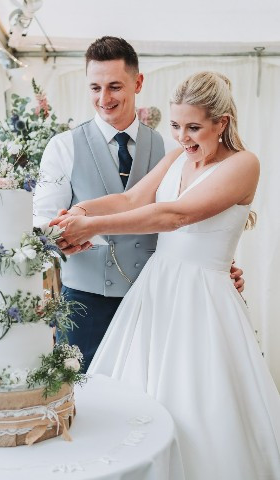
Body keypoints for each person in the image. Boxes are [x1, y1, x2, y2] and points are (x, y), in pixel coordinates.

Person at [52, 71, 280, 479]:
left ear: (222, 122)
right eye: (175, 126)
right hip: (155, 292)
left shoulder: (245, 164)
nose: (183, 137)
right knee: (135, 398)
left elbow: (174, 216)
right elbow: (132, 198)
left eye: (194, 127)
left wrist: (93, 229)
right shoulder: (177, 156)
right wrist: (83, 211)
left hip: (203, 301)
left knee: (198, 404)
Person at [34, 36, 244, 372]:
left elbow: (184, 212)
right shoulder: (62, 147)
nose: (104, 98)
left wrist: (216, 265)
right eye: (95, 87)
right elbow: (44, 225)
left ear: (138, 83)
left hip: (154, 298)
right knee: (82, 396)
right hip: (86, 300)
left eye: (115, 86)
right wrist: (66, 234)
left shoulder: (167, 145)